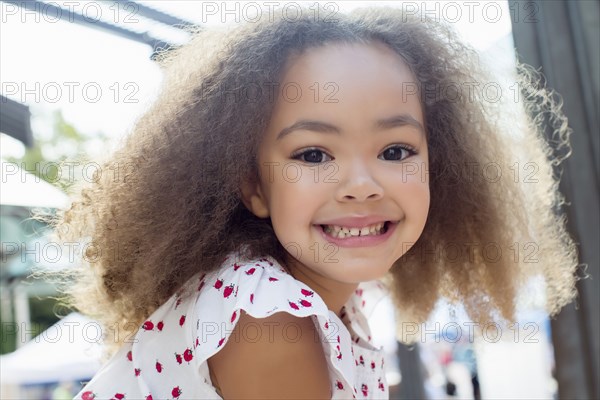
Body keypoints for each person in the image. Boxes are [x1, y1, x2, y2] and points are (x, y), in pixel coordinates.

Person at [55, 5, 578, 400]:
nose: (361, 184)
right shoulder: (265, 317)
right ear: (253, 187)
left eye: (395, 150)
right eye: (312, 154)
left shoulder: (326, 303)